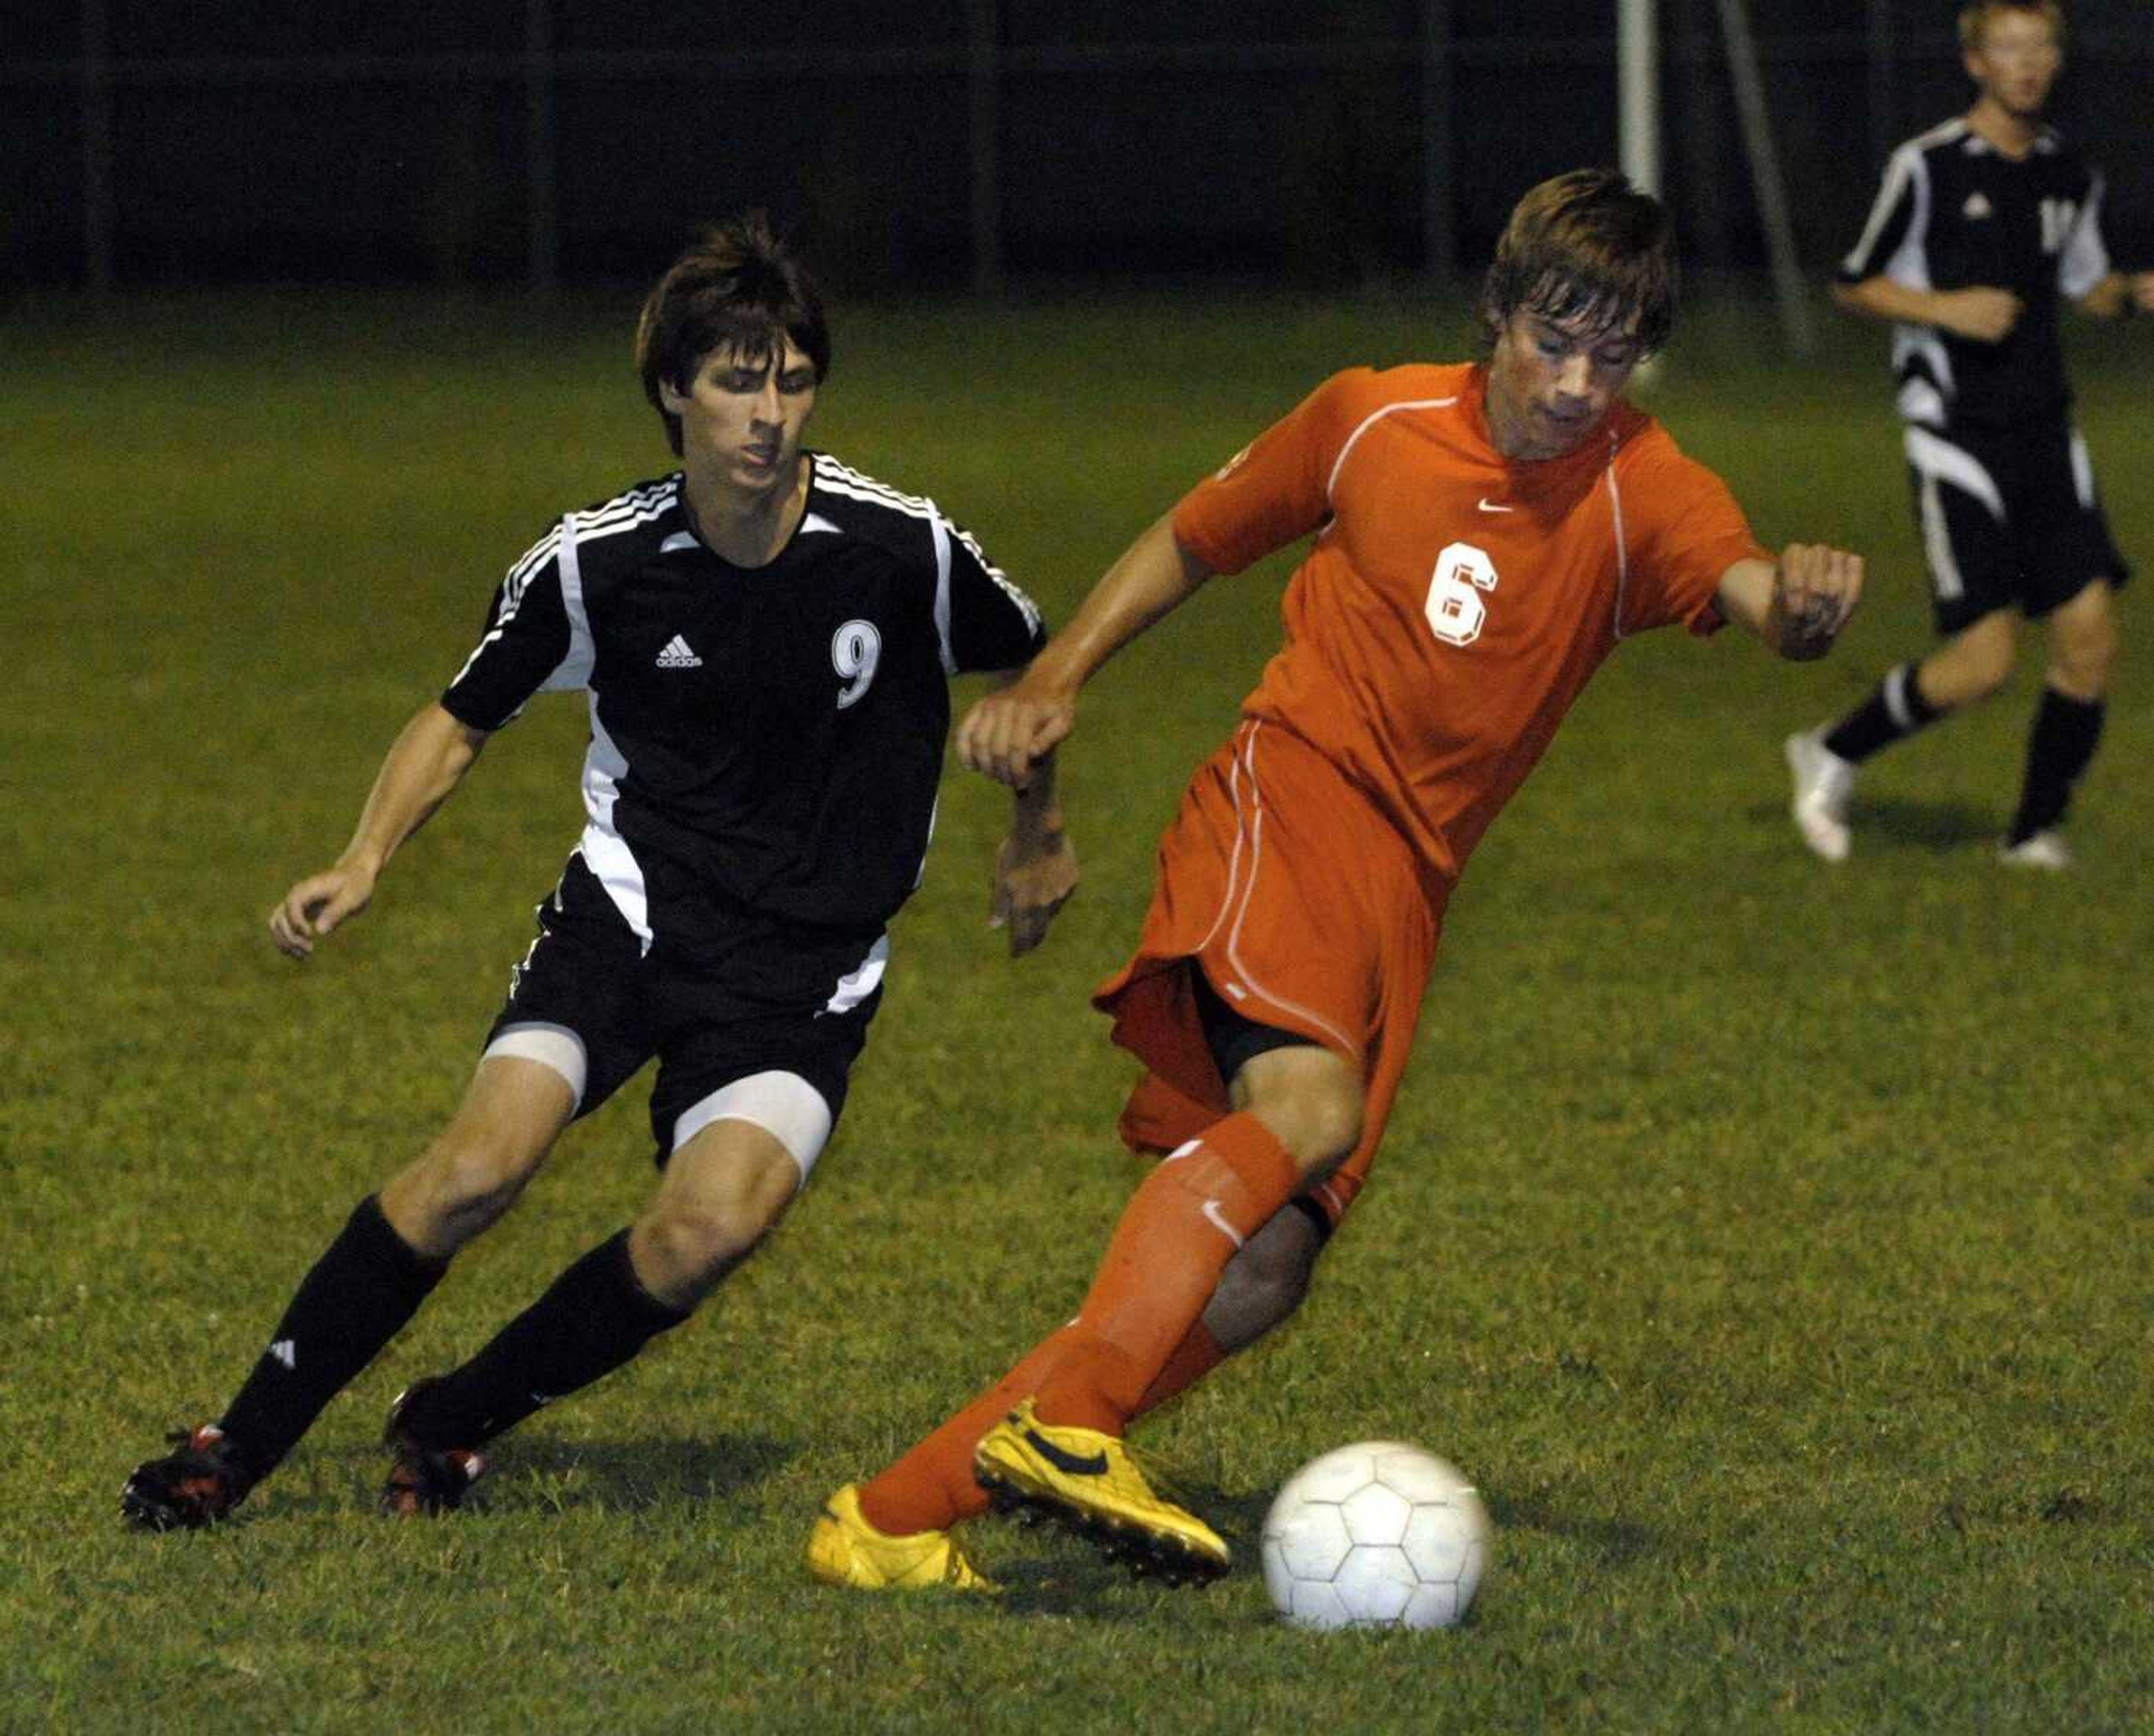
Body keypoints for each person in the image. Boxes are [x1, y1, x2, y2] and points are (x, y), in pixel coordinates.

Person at [804, 168, 1865, 1593]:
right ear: (1495, 315)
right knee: (1305, 1110)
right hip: (1289, 800)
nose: (1574, 382)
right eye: (1552, 341)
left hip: (1407, 898)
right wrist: (1056, 676)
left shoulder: (1640, 487)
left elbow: (1750, 594)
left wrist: (1797, 611)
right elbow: (1197, 536)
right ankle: (1069, 1423)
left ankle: (888, 1518)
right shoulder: (1371, 416)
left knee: (1262, 1274)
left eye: (1611, 357)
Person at [120, 214, 1071, 1532]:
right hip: (628, 927)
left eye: (794, 379)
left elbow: (1038, 669)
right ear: (674, 391)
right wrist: (363, 857)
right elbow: (461, 718)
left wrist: (1037, 830)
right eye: (739, 380)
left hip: (804, 975)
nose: (770, 413)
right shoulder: (596, 565)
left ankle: (455, 1419)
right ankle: (235, 1444)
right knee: (477, 1169)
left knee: (707, 1230)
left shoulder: (898, 549)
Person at [1786, 0, 2151, 869]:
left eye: (2041, 47)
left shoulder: (2067, 172)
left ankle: (2032, 831)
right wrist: (1943, 308)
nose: (2026, 64)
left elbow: (2085, 285)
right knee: (1985, 662)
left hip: (2045, 432)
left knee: (2091, 642)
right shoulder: (1929, 166)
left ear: (2057, 60)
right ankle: (1831, 750)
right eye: (2008, 47)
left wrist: (2135, 293)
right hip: (1956, 436)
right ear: (1976, 61)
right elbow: (1853, 282)